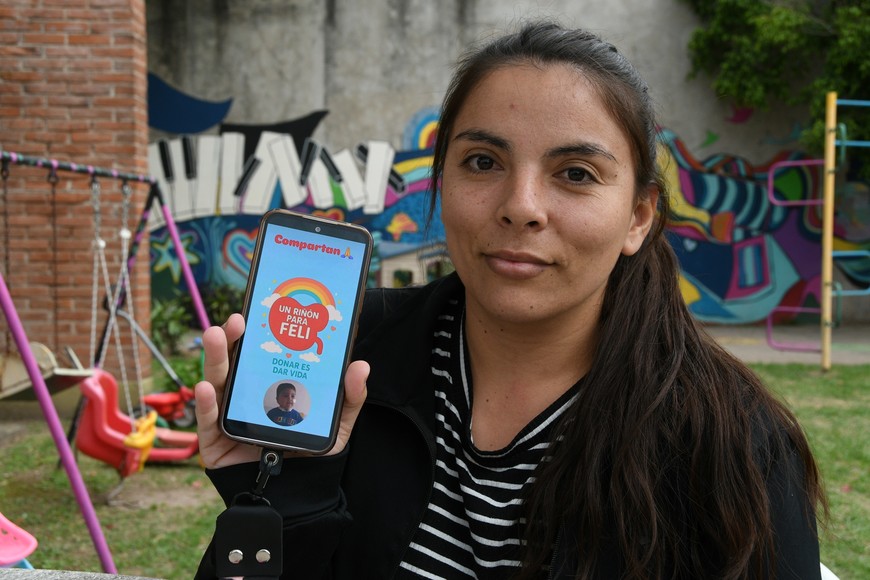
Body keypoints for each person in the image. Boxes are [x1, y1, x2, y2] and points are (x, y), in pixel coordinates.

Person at [194, 20, 826, 579]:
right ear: (441, 186)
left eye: (576, 173)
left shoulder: (735, 446)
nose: (521, 207)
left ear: (638, 217)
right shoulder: (346, 361)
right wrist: (277, 502)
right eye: (482, 161)